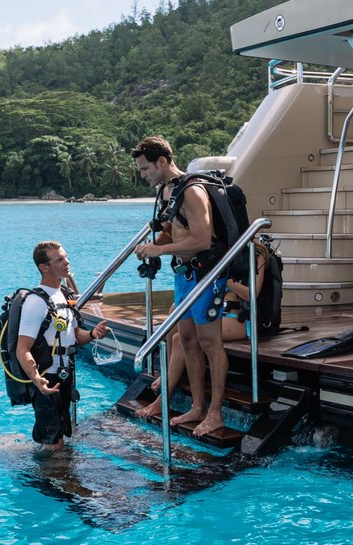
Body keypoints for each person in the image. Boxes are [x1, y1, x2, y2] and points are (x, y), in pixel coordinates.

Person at [131, 135, 230, 437]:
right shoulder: (166, 192)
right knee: (186, 338)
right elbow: (175, 233)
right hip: (183, 274)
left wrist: (159, 251)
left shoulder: (192, 191)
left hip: (206, 274)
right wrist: (153, 245)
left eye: (146, 168)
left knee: (210, 342)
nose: (143, 174)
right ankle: (197, 406)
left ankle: (216, 413)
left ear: (162, 162)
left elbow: (201, 239)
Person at [134, 241, 268, 420]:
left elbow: (251, 294)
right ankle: (167, 375)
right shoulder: (215, 250)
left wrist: (222, 275)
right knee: (176, 314)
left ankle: (164, 397)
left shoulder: (255, 252)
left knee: (180, 340)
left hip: (237, 319)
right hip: (215, 311)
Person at [17, 240, 110, 451]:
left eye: (66, 257)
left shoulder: (65, 296)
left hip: (65, 374)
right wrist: (38, 380)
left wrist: (93, 334)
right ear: (44, 267)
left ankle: (54, 473)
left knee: (60, 435)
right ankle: (47, 480)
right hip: (46, 377)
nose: (67, 262)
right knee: (53, 441)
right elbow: (22, 348)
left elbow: (75, 336)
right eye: (60, 259)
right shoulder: (36, 302)